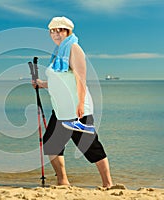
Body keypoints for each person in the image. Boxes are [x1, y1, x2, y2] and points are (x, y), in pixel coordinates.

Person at [33, 16, 113, 187]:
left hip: (76, 109)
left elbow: (81, 79)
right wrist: (41, 84)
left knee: (90, 146)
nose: (56, 33)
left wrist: (80, 104)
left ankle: (108, 184)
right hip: (61, 110)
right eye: (52, 30)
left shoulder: (74, 49)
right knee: (52, 143)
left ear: (68, 31)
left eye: (60, 30)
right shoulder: (58, 53)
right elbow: (59, 81)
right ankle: (63, 181)